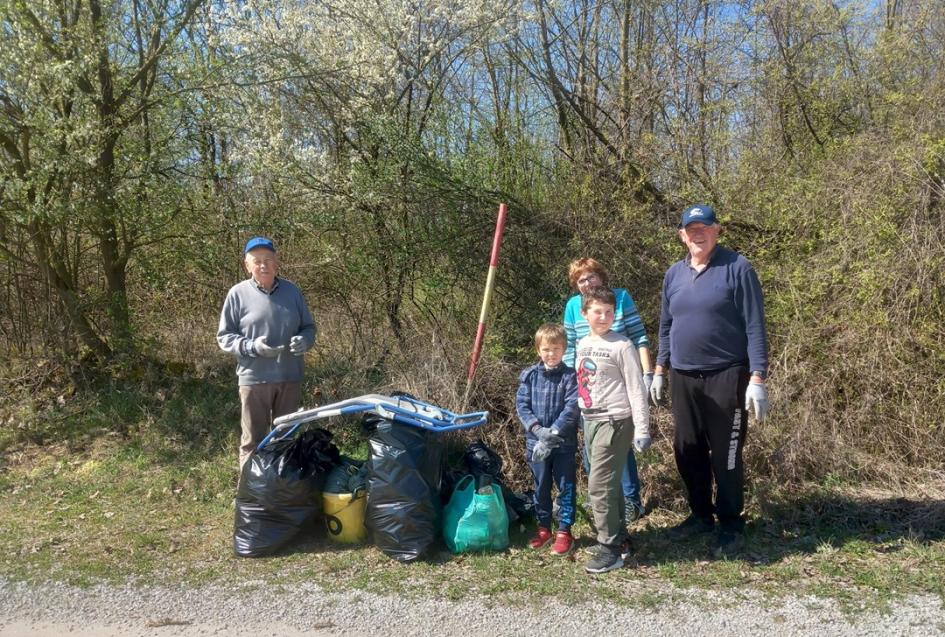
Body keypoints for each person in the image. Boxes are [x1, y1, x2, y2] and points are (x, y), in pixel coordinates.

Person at [650, 204, 770, 558]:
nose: (698, 234)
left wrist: (758, 376)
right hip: (683, 376)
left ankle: (731, 524)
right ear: (682, 235)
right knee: (687, 450)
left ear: (717, 230)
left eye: (705, 227)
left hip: (727, 375)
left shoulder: (738, 267)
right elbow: (666, 326)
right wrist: (660, 369)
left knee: (726, 454)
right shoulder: (673, 274)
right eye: (692, 229)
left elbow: (755, 325)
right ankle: (701, 515)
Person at [563, 258, 651, 523]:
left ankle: (631, 500)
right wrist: (570, 384)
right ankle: (601, 499)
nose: (587, 283)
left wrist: (647, 373)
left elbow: (639, 336)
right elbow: (570, 346)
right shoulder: (573, 306)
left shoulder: (620, 298)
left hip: (619, 383)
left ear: (601, 277)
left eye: (591, 277)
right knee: (592, 446)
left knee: (619, 446)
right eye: (581, 280)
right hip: (588, 388)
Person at [217, 236, 317, 468]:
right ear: (247, 265)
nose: (263, 265)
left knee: (285, 440)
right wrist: (253, 347)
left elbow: (309, 327)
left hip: (290, 378)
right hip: (254, 379)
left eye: (268, 260)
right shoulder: (237, 294)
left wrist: (305, 340)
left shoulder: (292, 292)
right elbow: (224, 337)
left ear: (276, 262)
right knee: (252, 441)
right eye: (257, 261)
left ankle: (280, 486)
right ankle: (249, 488)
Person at [575, 287, 650, 573]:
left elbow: (636, 388)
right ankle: (620, 539)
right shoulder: (583, 343)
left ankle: (609, 550)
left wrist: (642, 429)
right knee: (610, 483)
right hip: (591, 420)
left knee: (599, 486)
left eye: (609, 312)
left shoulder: (622, 345)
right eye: (598, 311)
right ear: (585, 313)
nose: (604, 317)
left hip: (615, 421)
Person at [515, 324, 580, 556]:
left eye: (556, 349)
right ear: (538, 350)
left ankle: (564, 531)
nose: (551, 353)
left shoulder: (571, 376)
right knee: (540, 487)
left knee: (566, 487)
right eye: (546, 349)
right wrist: (538, 431)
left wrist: (553, 433)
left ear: (564, 349)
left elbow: (572, 408)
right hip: (536, 445)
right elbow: (522, 406)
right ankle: (544, 528)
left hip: (563, 445)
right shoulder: (530, 376)